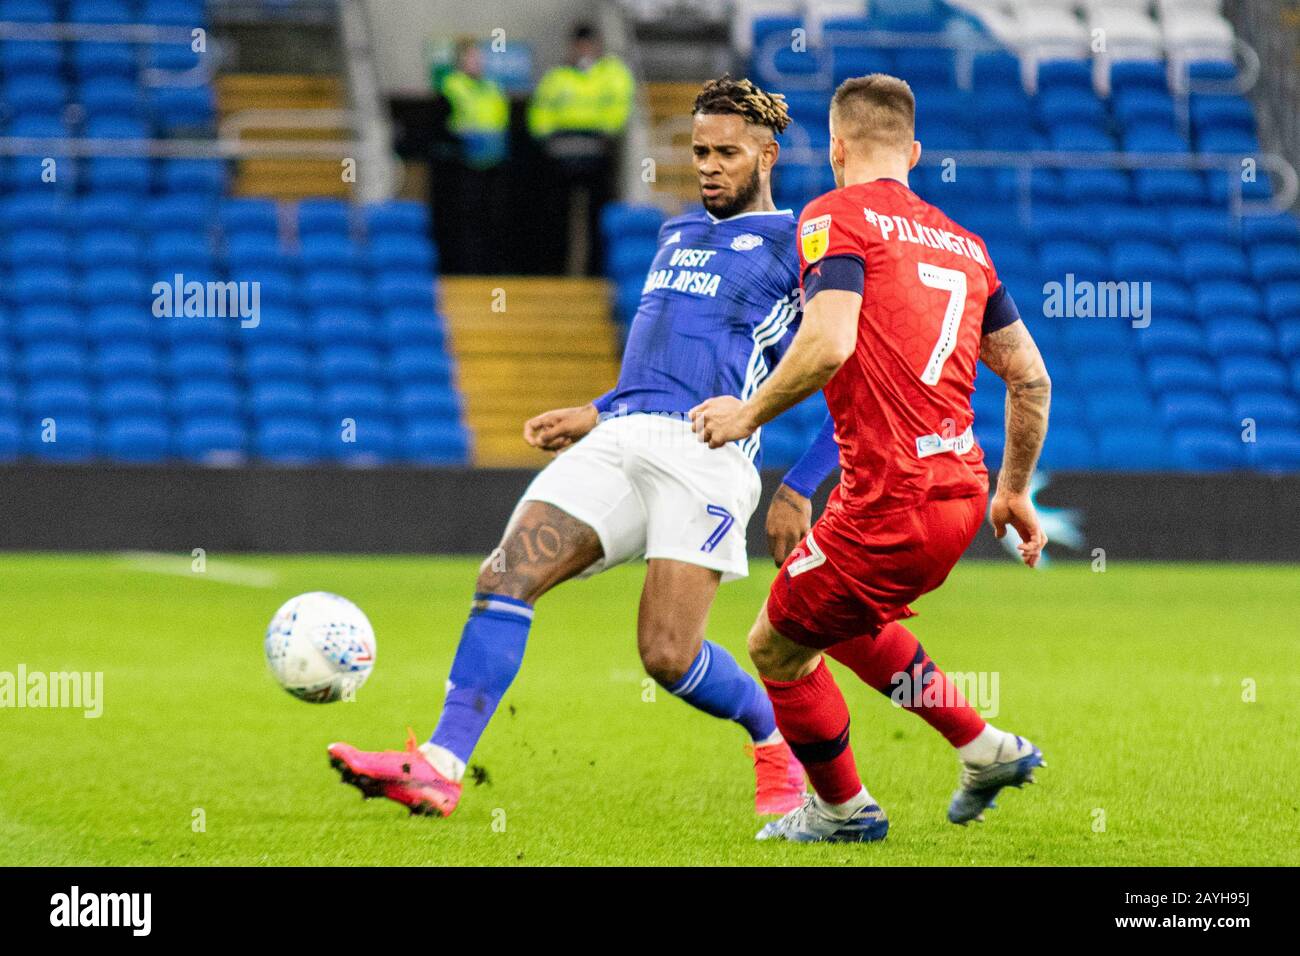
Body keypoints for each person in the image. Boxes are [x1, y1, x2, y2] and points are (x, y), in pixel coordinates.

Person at [329, 76, 818, 820]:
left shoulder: (801, 244)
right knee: (505, 574)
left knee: (666, 654)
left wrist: (795, 468)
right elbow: (664, 353)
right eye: (699, 152)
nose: (709, 165)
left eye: (726, 152)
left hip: (706, 454)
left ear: (767, 154)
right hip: (619, 437)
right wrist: (594, 412)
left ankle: (772, 736)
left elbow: (843, 357)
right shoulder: (675, 233)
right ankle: (439, 764)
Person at [690, 73, 1051, 844]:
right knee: (836, 619)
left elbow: (828, 341)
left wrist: (746, 412)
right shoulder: (966, 246)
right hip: (958, 498)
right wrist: (1014, 492)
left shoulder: (833, 215)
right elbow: (1031, 376)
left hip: (890, 500)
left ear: (835, 147)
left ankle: (841, 811)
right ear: (914, 152)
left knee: (774, 647)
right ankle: (983, 748)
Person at [527, 23, 634, 275]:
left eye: (589, 44)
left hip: (596, 158)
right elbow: (539, 114)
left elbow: (618, 110)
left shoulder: (612, 75)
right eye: (579, 45)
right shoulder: (556, 78)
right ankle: (555, 273)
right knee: (556, 219)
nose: (584, 50)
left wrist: (598, 131)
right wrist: (551, 137)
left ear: (597, 46)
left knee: (598, 219)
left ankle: (594, 274)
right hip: (560, 159)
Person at [436, 38, 510, 273]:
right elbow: (444, 124)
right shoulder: (451, 86)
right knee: (467, 219)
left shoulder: (493, 88)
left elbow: (500, 123)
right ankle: (465, 269)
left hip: (493, 163)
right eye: (471, 57)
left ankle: (490, 269)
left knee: (493, 219)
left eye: (479, 57)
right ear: (460, 61)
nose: (477, 62)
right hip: (464, 164)